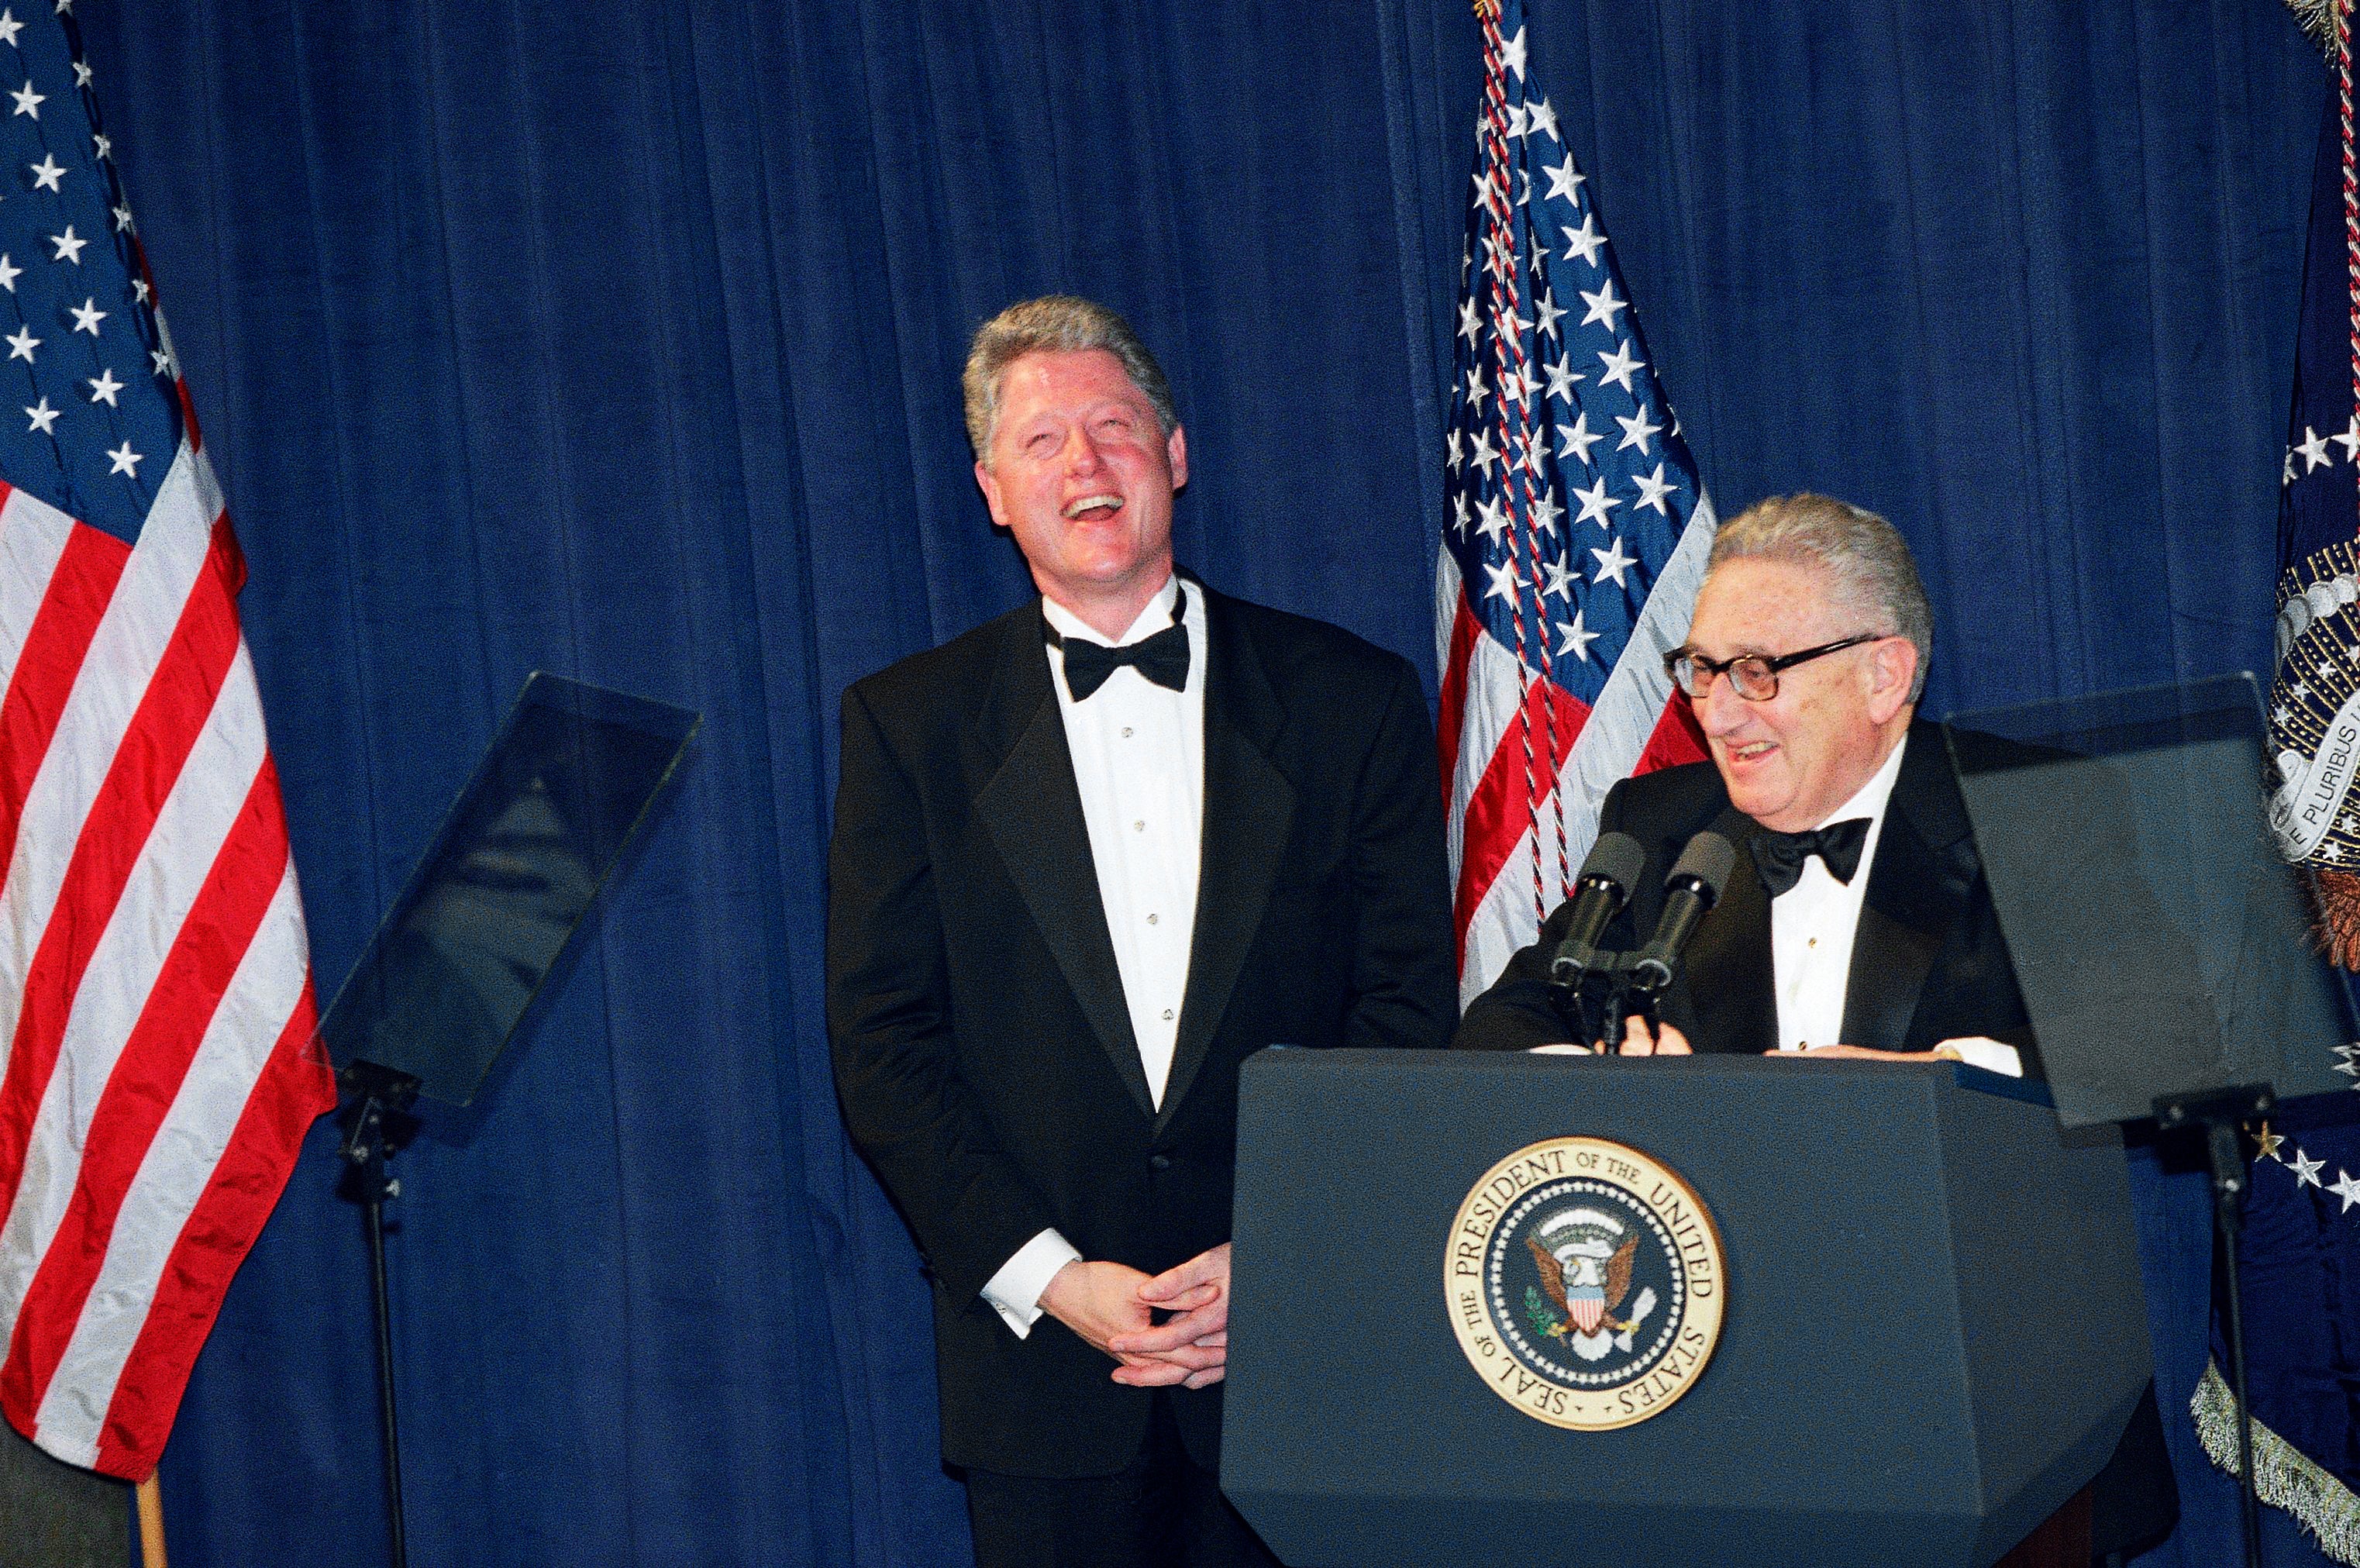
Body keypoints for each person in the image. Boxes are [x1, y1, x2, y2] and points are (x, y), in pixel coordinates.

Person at [827, 295, 1455, 1568]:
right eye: (1043, 439)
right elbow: (883, 1045)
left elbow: (1402, 1013)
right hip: (1044, 1383)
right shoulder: (909, 725)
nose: (1084, 463)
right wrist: (1055, 1279)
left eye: (1114, 427)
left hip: (1303, 1354)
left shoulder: (1351, 698)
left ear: (1174, 457)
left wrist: (1281, 1249)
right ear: (992, 490)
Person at [1454, 492, 2176, 1563]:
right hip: (1717, 1416)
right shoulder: (1657, 827)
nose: (1719, 711)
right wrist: (1603, 1081)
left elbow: (2157, 1052)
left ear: (1883, 674)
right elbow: (1499, 1024)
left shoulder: (2035, 807)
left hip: (1990, 1418)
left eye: (1757, 670)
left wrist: (1935, 1084)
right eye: (1699, 670)